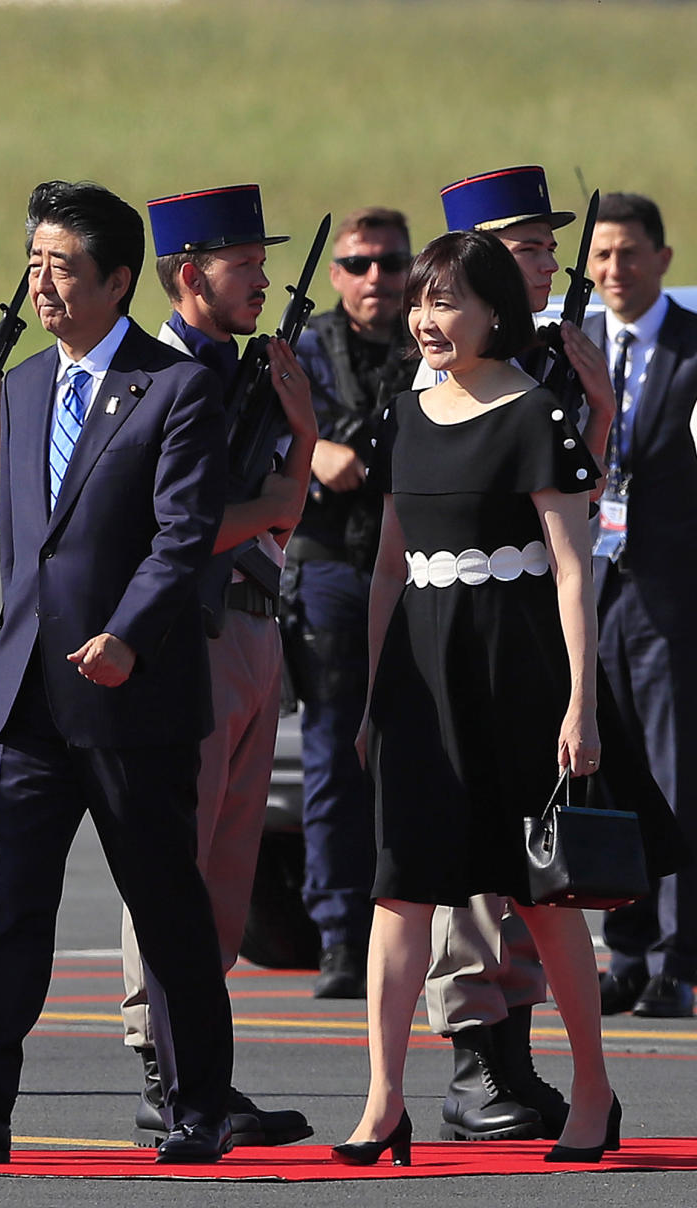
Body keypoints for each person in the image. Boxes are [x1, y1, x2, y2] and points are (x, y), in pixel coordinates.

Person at [0, 180, 236, 1165]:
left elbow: (184, 537)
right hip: (31, 691)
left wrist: (129, 633)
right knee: (13, 909)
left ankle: (199, 1104)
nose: (42, 284)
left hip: (133, 694)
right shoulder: (30, 382)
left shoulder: (175, 387)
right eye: (34, 262)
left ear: (118, 279)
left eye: (63, 267)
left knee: (168, 907)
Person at [334, 229, 621, 1167]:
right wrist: (377, 694)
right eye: (421, 301)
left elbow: (574, 573)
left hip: (519, 673)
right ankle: (383, 1100)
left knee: (543, 899)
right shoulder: (399, 418)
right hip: (422, 677)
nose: (424, 318)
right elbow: (385, 572)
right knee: (398, 892)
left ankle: (592, 1088)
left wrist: (580, 706)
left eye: (446, 300)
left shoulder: (539, 418)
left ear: (496, 312)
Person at [417, 165, 618, 1142]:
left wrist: (599, 409)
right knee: (466, 866)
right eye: (525, 246)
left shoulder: (543, 356)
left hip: (532, 629)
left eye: (545, 245)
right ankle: (472, 1058)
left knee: (533, 855)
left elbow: (576, 505)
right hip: (464, 626)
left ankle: (518, 1054)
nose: (542, 260)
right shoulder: (445, 366)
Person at [118, 184, 316, 1148]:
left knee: (229, 869)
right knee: (172, 857)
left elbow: (280, 512)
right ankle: (162, 1062)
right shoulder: (147, 379)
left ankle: (204, 1064)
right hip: (182, 638)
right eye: (245, 263)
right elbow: (177, 530)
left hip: (251, 625)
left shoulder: (254, 373)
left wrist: (301, 439)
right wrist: (281, 492)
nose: (264, 278)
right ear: (191, 273)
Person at [287, 207, 415, 999]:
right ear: (336, 275)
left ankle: (416, 913)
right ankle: (340, 932)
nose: (378, 279)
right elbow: (250, 447)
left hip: (417, 565)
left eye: (392, 264)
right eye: (361, 264)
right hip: (332, 567)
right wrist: (313, 455)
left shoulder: (435, 345)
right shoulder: (300, 352)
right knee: (337, 753)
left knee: (425, 750)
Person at [585, 192, 697, 1019]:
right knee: (611, 770)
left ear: (662, 258)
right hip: (590, 588)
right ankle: (624, 948)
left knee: (674, 770)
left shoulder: (691, 351)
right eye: (601, 256)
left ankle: (677, 954)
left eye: (629, 254)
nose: (614, 270)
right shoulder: (574, 344)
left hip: (667, 588)